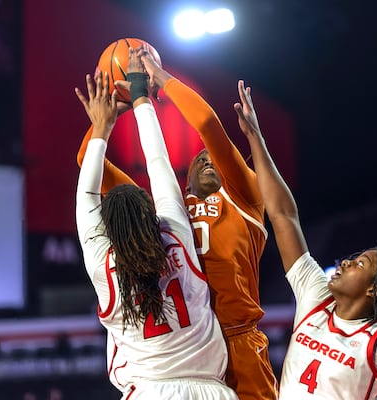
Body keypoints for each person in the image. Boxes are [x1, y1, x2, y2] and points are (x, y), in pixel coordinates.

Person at [76, 46, 278, 399]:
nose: (209, 158)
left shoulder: (245, 197)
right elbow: (88, 161)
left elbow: (206, 125)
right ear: (180, 181)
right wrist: (121, 104)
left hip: (237, 340)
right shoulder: (168, 217)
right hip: (184, 345)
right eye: (201, 157)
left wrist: (158, 81)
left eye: (215, 156)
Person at [233, 79, 377, 400]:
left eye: (359, 263)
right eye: (352, 258)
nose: (344, 262)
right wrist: (256, 138)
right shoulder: (316, 296)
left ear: (374, 288)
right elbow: (284, 216)